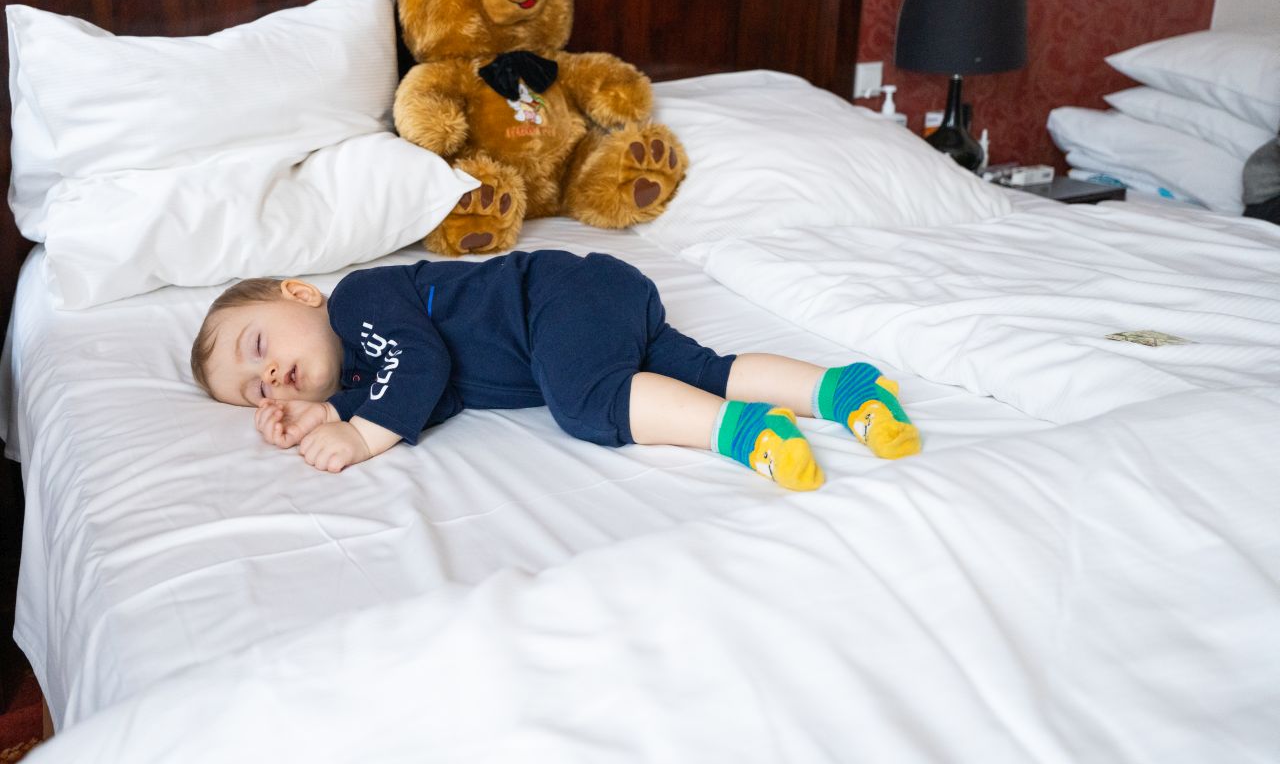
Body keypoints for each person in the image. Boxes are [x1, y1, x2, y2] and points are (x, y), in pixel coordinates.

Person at [190, 251, 920, 489]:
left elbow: (416, 362)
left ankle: (741, 433)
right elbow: (427, 392)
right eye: (253, 390)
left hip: (553, 299)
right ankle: (844, 389)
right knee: (703, 368)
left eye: (259, 348)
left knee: (586, 404)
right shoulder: (362, 375)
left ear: (299, 293)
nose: (271, 379)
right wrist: (332, 414)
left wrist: (359, 437)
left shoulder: (359, 299)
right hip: (598, 305)